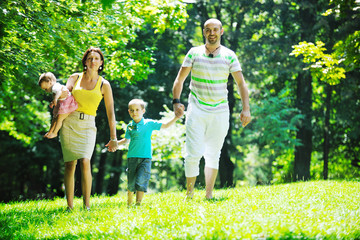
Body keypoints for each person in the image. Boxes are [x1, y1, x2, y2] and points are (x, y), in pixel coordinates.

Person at [172, 18, 251, 200]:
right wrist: (176, 102)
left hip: (220, 110)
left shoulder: (230, 55)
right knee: (192, 153)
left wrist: (246, 108)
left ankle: (208, 195)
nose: (212, 33)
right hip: (196, 108)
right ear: (204, 32)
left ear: (221, 31)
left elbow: (241, 83)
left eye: (215, 29)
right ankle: (189, 195)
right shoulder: (194, 53)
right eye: (208, 30)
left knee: (213, 154)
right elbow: (179, 80)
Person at [60, 47, 118, 211]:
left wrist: (113, 138)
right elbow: (64, 95)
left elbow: (110, 113)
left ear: (101, 63)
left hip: (88, 126)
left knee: (85, 161)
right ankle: (69, 206)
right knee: (70, 164)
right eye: (90, 58)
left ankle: (87, 206)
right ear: (85, 62)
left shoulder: (104, 84)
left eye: (96, 58)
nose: (93, 61)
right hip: (69, 123)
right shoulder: (75, 77)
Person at [117, 99, 182, 206]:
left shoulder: (149, 123)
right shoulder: (130, 126)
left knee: (141, 181)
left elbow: (165, 125)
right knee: (131, 182)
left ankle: (138, 204)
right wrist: (115, 143)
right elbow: (126, 140)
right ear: (129, 112)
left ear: (143, 111)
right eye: (132, 110)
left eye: (137, 110)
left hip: (145, 158)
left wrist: (176, 117)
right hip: (132, 157)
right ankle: (129, 204)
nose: (135, 112)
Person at [38, 72, 78, 139]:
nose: (46, 91)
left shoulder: (55, 87)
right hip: (62, 102)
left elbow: (59, 92)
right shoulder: (55, 87)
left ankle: (55, 133)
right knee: (54, 117)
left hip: (67, 103)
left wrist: (55, 99)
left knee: (59, 118)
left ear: (49, 82)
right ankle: (50, 131)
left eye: (45, 89)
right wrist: (53, 102)